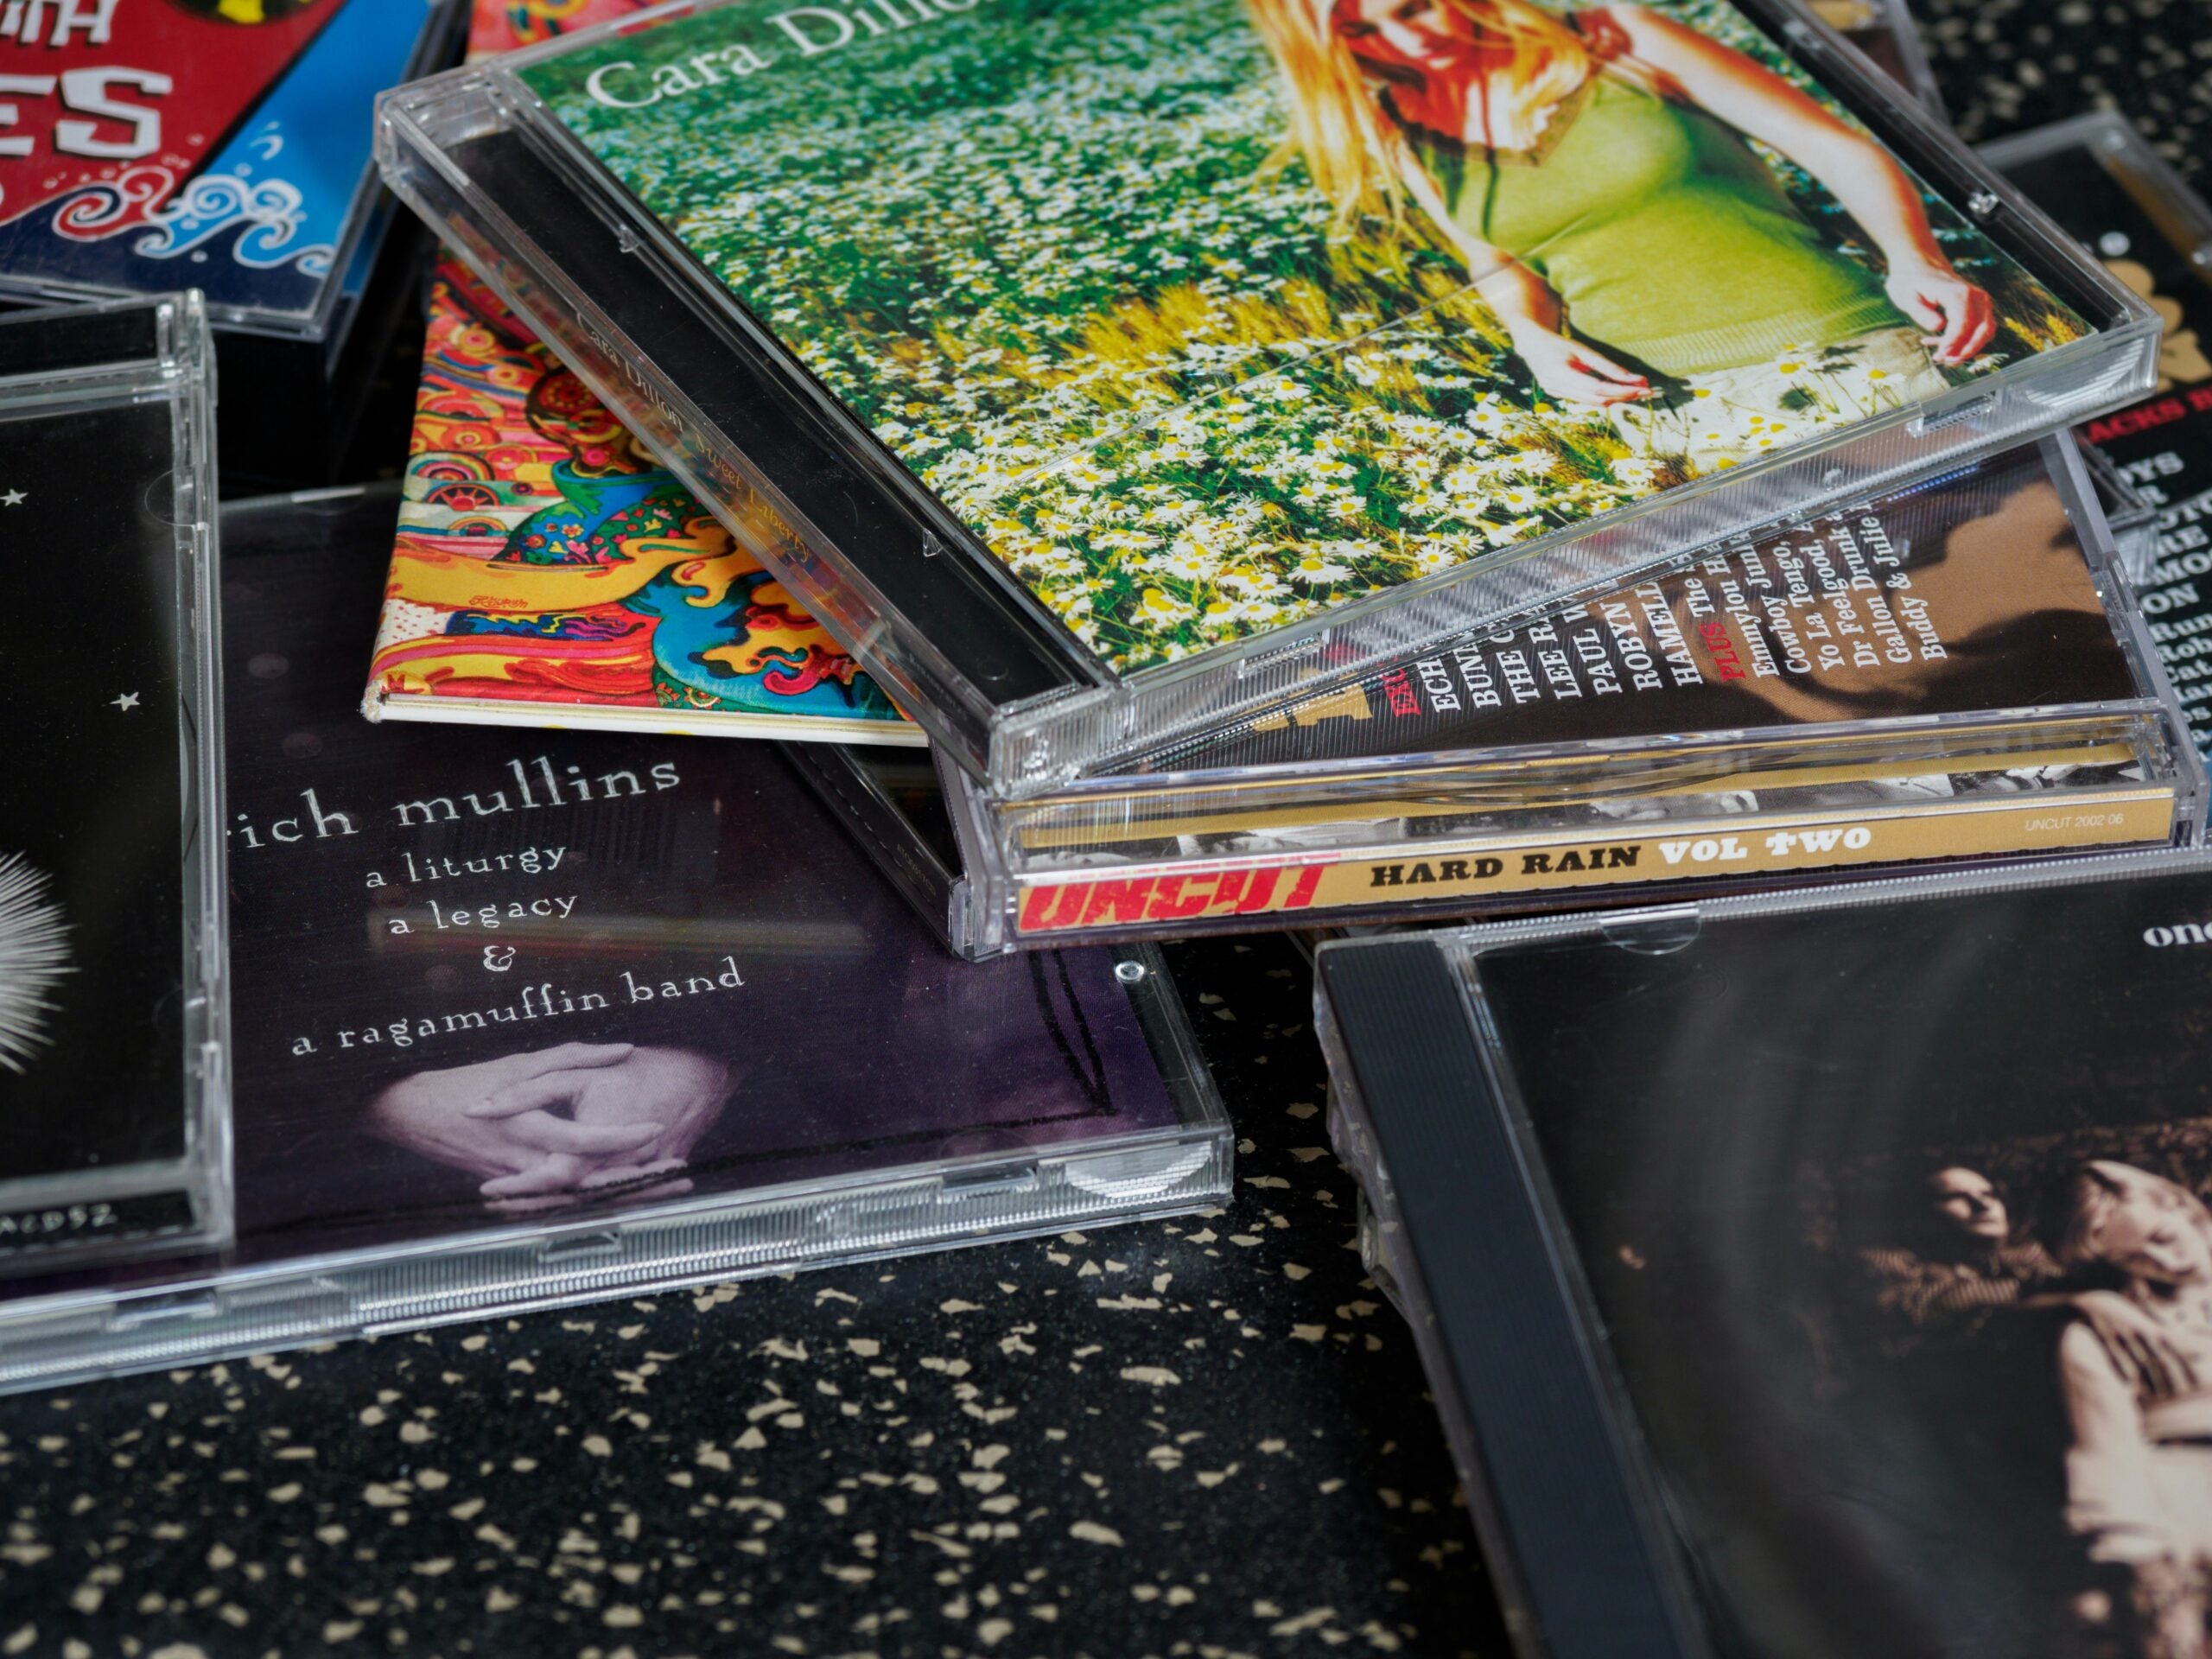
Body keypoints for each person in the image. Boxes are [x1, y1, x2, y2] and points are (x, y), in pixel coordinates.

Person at [1248, 0, 1996, 470]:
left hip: (1858, 354)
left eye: (1412, 9)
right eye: (1362, 32)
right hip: (1672, 417)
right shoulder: (1405, 133)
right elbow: (1496, 261)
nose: (1406, 42)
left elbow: (1834, 148)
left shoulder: (1618, 37)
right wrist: (1534, 343)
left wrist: (1915, 259)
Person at [2056, 1160, 2212, 1659]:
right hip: (2186, 1482)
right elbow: (2106, 1453)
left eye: (2163, 1237)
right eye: (2135, 1258)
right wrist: (2138, 1557)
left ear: (2181, 1207)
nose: (2163, 1260)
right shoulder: (2102, 1330)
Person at [1859, 1165, 2062, 1336]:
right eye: (1956, 1196)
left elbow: (2061, 1287)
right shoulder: (1888, 1262)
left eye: (1990, 1195)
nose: (1982, 1204)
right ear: (1920, 1213)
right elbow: (1922, 1311)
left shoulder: (2026, 1255)